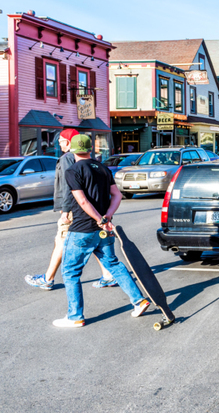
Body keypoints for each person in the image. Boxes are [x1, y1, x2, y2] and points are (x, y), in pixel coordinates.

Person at [53, 134, 150, 328]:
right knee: (113, 264)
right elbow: (117, 195)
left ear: (72, 149)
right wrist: (107, 217)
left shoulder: (73, 170)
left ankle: (75, 317)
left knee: (70, 272)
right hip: (103, 230)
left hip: (82, 229)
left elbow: (81, 201)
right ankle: (139, 300)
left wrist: (99, 219)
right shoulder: (103, 168)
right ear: (90, 149)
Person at [25, 129, 117, 291]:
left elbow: (70, 187)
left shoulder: (69, 158)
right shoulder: (79, 159)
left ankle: (48, 278)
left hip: (75, 209)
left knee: (62, 241)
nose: (58, 143)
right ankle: (108, 275)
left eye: (60, 140)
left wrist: (66, 209)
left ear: (68, 142)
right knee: (93, 242)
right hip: (85, 209)